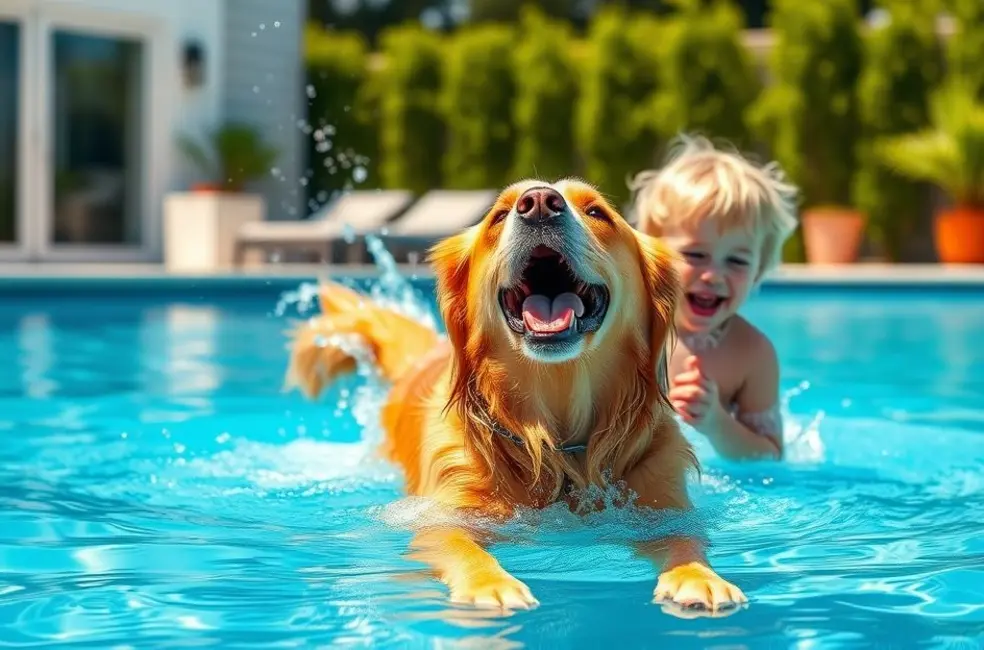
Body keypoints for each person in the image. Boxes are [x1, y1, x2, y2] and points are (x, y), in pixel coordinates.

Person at [629, 134, 799, 461]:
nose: (714, 276)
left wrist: (716, 423)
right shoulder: (630, 324)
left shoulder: (752, 354)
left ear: (759, 270)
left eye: (736, 261)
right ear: (654, 254)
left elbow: (771, 454)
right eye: (695, 255)